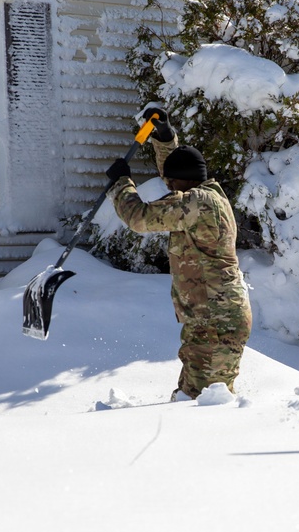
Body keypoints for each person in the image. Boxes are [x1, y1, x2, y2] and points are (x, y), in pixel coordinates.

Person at [105, 107, 252, 401]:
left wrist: (121, 183)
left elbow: (139, 218)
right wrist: (164, 138)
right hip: (208, 318)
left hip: (216, 321)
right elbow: (176, 172)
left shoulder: (195, 204)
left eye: (172, 183)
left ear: (184, 182)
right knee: (188, 399)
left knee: (201, 405)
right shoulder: (208, 195)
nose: (168, 186)